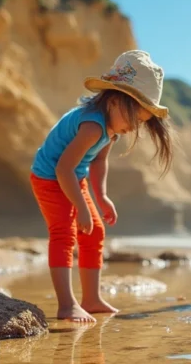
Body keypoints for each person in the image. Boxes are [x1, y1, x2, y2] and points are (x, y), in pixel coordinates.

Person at [30, 50, 173, 322]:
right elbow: (62, 168)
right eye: (137, 119)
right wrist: (81, 207)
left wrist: (102, 196)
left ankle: (91, 298)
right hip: (49, 177)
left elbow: (97, 163)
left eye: (142, 123)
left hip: (74, 176)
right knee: (63, 234)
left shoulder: (111, 129)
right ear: (117, 101)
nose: (136, 128)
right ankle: (66, 304)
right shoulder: (92, 126)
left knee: (94, 232)